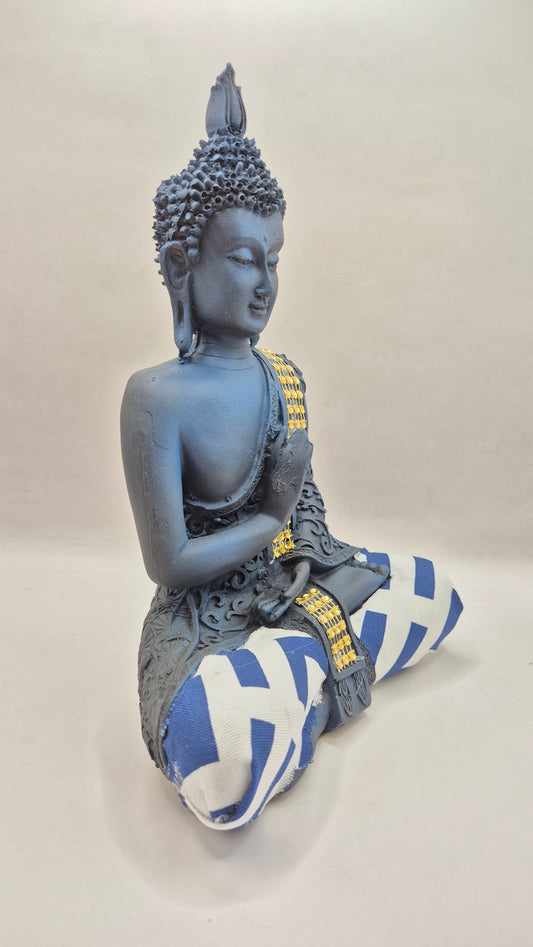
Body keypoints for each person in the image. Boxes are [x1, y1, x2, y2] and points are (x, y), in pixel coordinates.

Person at [121, 65, 463, 830]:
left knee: (427, 586)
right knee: (213, 733)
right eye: (245, 257)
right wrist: (267, 521)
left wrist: (300, 549)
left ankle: (297, 673)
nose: (265, 281)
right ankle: (288, 680)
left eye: (274, 258)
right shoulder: (154, 398)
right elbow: (170, 563)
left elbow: (305, 521)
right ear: (181, 264)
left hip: (290, 581)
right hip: (204, 618)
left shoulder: (283, 377)